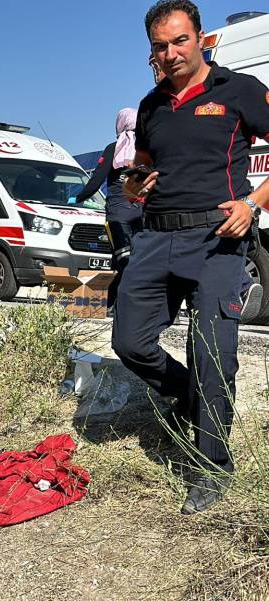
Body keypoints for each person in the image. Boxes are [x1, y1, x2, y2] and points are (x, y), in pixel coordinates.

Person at [113, 0, 269, 514]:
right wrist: (134, 185)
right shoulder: (151, 104)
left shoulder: (239, 90)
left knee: (212, 352)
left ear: (200, 39)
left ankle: (212, 468)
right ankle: (188, 398)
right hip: (157, 237)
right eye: (160, 45)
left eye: (180, 41)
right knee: (129, 339)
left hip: (218, 238)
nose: (171, 53)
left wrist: (253, 203)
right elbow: (140, 168)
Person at [71, 108, 145, 310]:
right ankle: (124, 304)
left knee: (121, 258)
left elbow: (96, 181)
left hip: (118, 214)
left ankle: (112, 304)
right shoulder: (145, 149)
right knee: (137, 259)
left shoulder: (114, 148)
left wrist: (77, 197)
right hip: (142, 211)